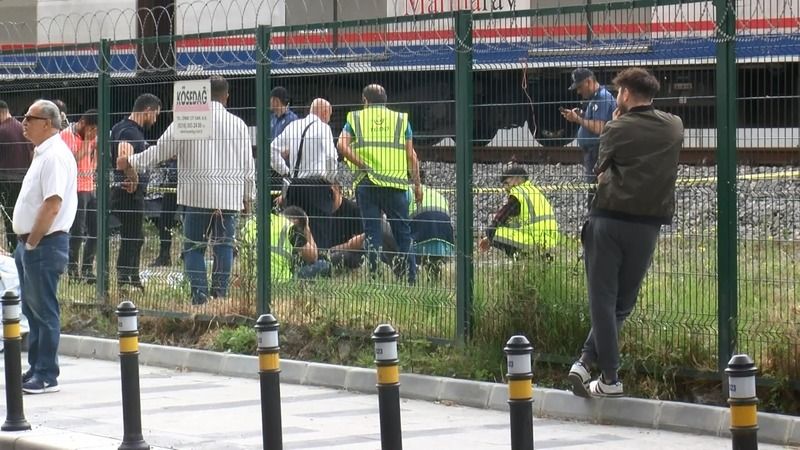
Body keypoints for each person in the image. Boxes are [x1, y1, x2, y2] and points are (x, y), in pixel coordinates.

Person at [567, 68, 683, 398]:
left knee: (602, 300)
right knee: (622, 304)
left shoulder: (617, 127)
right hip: (647, 225)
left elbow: (600, 173)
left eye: (619, 93)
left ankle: (609, 377)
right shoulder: (674, 127)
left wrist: (618, 122)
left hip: (608, 221)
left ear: (626, 95)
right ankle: (586, 363)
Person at [118, 76, 255, 305]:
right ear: (226, 97)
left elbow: (159, 152)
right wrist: (248, 198)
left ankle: (200, 299)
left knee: (193, 249)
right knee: (224, 248)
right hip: (229, 198)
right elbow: (248, 167)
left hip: (197, 195)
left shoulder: (190, 118)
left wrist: (132, 161)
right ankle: (220, 298)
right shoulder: (239, 124)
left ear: (203, 94)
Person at [14, 99, 77, 394]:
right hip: (31, 244)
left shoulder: (53, 156)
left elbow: (52, 204)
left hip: (43, 244)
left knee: (44, 309)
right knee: (33, 308)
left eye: (30, 117)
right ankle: (37, 366)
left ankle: (47, 374)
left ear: (47, 124)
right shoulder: (42, 153)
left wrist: (33, 242)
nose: (23, 122)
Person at [337, 84, 422, 284]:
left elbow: (341, 144)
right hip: (395, 185)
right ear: (385, 100)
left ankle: (375, 279)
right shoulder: (400, 120)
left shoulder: (356, 118)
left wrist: (362, 164)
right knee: (403, 233)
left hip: (368, 184)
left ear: (365, 101)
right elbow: (411, 155)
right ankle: (411, 279)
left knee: (372, 233)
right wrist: (417, 185)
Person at [110, 93, 162, 293]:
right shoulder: (130, 132)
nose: (155, 119)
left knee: (134, 237)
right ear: (147, 111)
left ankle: (130, 278)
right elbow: (123, 156)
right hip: (129, 194)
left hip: (122, 192)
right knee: (132, 238)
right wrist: (133, 178)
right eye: (155, 115)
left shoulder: (119, 127)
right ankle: (126, 279)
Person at [271, 98, 338, 249]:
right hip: (316, 186)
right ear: (325, 112)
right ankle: (318, 264)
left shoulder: (293, 126)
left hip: (295, 185)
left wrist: (286, 172)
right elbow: (331, 157)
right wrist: (330, 178)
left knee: (296, 229)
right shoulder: (323, 128)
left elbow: (272, 150)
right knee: (319, 229)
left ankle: (295, 263)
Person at [478, 165, 560, 257]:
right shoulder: (534, 192)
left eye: (506, 183)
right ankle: (535, 257)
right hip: (550, 241)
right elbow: (514, 221)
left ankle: (521, 257)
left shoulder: (518, 193)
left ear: (516, 179)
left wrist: (490, 234)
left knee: (492, 231)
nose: (505, 187)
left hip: (535, 240)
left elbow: (503, 215)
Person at [60, 109, 98, 282]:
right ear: (83, 123)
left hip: (90, 187)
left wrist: (93, 162)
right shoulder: (66, 136)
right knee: (77, 231)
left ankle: (88, 269)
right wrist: (87, 142)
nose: (94, 133)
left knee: (96, 230)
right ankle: (73, 272)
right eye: (92, 129)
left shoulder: (91, 136)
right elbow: (71, 159)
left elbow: (94, 153)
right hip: (76, 189)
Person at [561, 68, 616, 184]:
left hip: (597, 151)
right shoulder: (596, 97)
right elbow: (598, 119)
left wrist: (577, 119)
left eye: (580, 87)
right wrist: (582, 114)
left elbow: (599, 127)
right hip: (593, 151)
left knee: (594, 188)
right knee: (593, 187)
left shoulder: (602, 98)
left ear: (589, 81)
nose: (579, 92)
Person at [407, 170, 454, 280]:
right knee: (433, 262)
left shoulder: (407, 191)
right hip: (444, 239)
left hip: (421, 237)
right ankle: (434, 279)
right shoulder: (437, 194)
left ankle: (409, 275)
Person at [0, 100, 33, 251]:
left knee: (9, 218)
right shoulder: (22, 127)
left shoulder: (2, 130)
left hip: (6, 180)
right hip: (24, 178)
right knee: (18, 217)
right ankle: (19, 249)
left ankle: (14, 251)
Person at [281, 206, 331, 279]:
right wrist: (306, 229)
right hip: (287, 275)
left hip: (268, 272)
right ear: (296, 221)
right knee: (324, 264)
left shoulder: (275, 225)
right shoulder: (293, 230)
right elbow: (313, 257)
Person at [149, 158, 178, 267]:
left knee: (189, 217)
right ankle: (164, 255)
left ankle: (186, 255)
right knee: (165, 219)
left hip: (188, 179)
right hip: (173, 179)